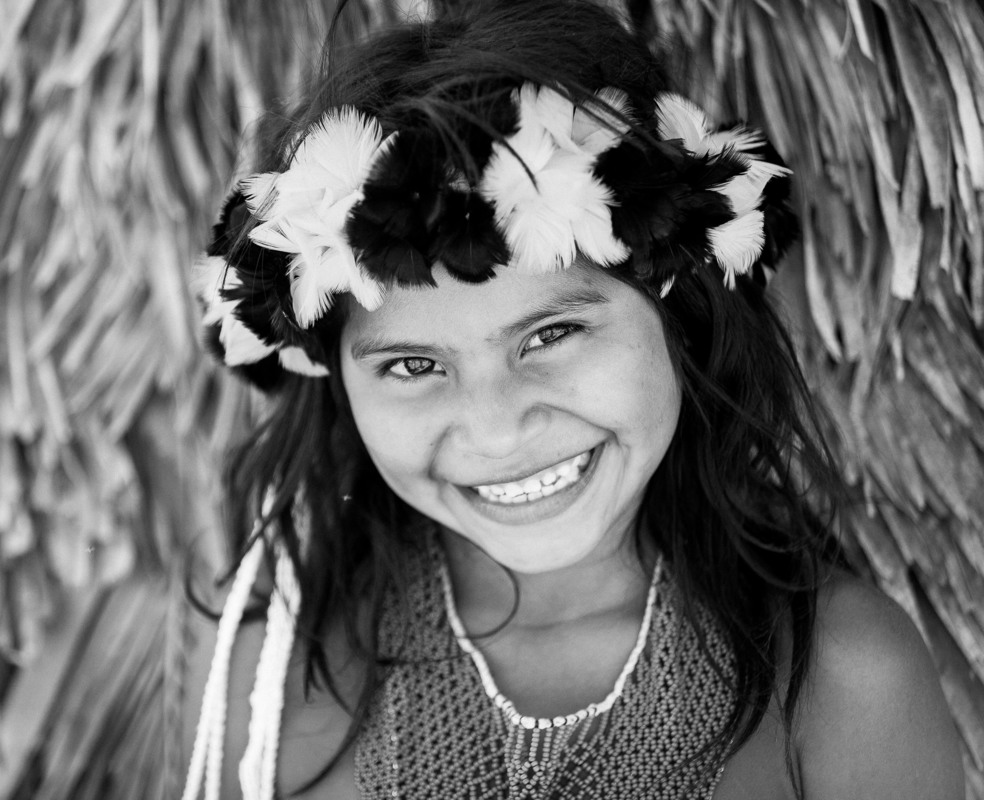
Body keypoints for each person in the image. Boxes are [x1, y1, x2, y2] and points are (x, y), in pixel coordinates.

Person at [181, 1, 964, 797]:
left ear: (678, 314)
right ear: (340, 382)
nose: (496, 429)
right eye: (414, 366)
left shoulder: (841, 681)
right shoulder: (268, 664)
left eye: (550, 336)